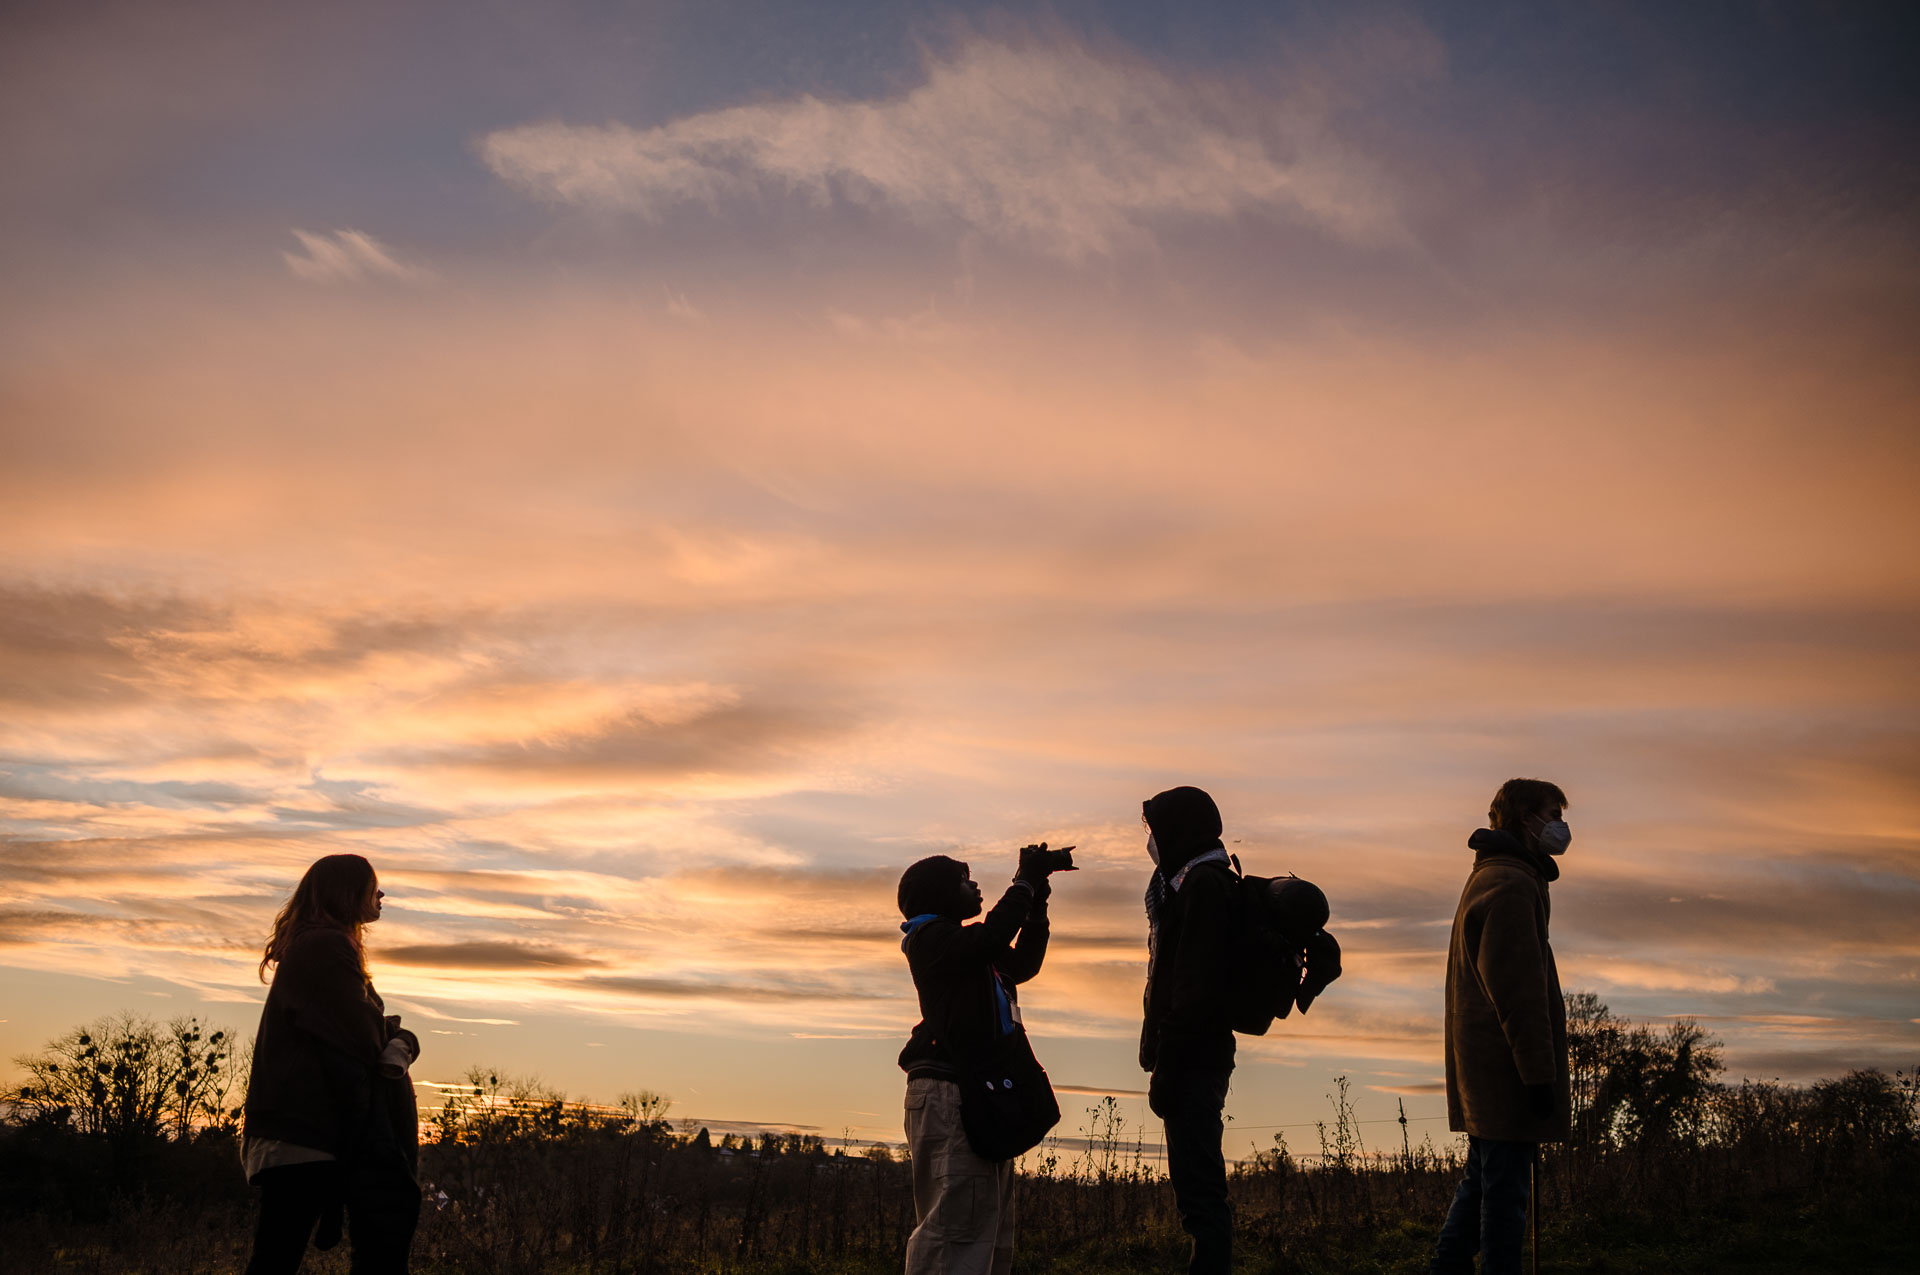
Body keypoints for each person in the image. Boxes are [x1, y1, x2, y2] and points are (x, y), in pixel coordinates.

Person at [243, 854, 422, 1275]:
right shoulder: (326, 947)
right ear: (347, 893)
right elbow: (365, 1037)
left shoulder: (317, 947)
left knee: (275, 1256)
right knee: (275, 1259)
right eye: (372, 886)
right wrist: (403, 1040)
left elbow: (359, 1028)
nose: (380, 894)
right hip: (303, 1136)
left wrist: (391, 1037)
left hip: (304, 1135)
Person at [897, 844, 1065, 1275]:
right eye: (964, 880)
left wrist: (1037, 894)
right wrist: (1023, 881)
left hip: (977, 1094)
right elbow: (992, 936)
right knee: (953, 1231)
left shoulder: (966, 951)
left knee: (983, 1228)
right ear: (940, 896)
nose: (975, 886)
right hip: (949, 1095)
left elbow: (1022, 962)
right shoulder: (931, 940)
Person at [1429, 779, 1573, 1275]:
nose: (1560, 826)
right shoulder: (1511, 886)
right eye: (1552, 814)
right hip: (1506, 1073)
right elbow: (1519, 994)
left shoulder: (1495, 876)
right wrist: (1538, 1077)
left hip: (1487, 1069)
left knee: (1483, 1182)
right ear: (1524, 819)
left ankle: (1446, 1268)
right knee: (1506, 1202)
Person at [1139, 785, 1238, 1275]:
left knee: (1201, 1190)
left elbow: (1194, 988)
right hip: (1187, 1054)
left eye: (1155, 830)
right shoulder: (1184, 884)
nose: (1151, 841)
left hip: (1194, 1057)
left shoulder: (1204, 885)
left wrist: (1168, 1067)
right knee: (1194, 1185)